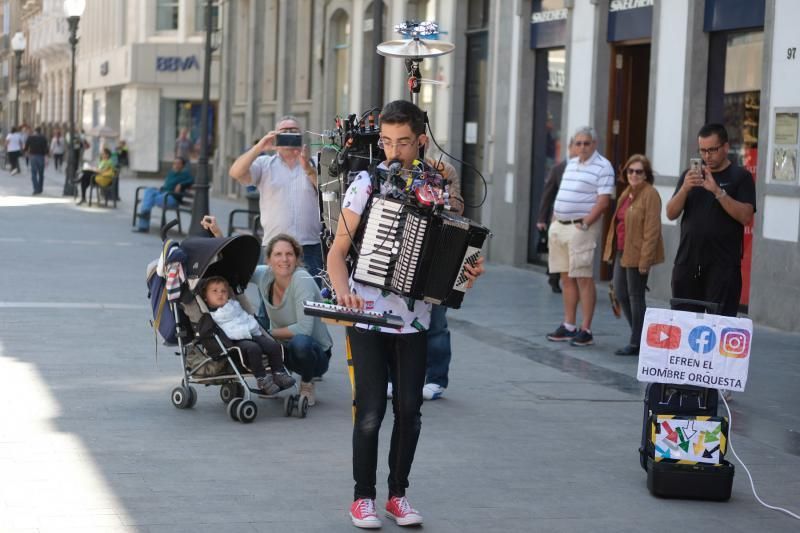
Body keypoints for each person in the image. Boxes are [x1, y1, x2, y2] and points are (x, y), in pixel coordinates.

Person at [326, 100, 485, 529]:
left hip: (414, 320)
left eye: (402, 143)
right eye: (386, 142)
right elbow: (336, 254)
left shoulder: (441, 190)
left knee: (411, 409)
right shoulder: (365, 184)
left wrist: (469, 270)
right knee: (372, 409)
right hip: (368, 316)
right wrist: (344, 294)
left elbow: (455, 261)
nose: (393, 151)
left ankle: (398, 494)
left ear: (421, 140)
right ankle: (363, 498)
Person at [201, 216, 333, 407]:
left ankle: (307, 382)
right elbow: (234, 268)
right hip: (281, 349)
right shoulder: (265, 275)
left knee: (300, 342)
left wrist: (267, 335)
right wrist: (218, 234)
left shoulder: (302, 280)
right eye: (278, 254)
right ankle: (274, 376)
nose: (284, 259)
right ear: (269, 259)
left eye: (289, 254)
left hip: (314, 353)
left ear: (297, 258)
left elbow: (304, 329)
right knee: (252, 325)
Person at [666, 123, 756, 317]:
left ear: (725, 147)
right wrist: (685, 189)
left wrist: (717, 191)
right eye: (703, 150)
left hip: (722, 266)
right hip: (688, 262)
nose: (707, 156)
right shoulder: (689, 176)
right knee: (685, 322)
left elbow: (746, 216)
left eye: (712, 150)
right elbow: (671, 213)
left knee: (719, 324)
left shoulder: (740, 177)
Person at [228, 116, 324, 281]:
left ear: (301, 136)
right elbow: (235, 172)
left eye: (293, 131)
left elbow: (327, 193)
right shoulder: (264, 164)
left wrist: (307, 168)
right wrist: (259, 147)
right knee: (272, 301)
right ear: (275, 135)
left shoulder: (316, 163)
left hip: (309, 247)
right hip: (274, 247)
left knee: (309, 301)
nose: (289, 134)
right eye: (284, 131)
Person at [545, 126, 615, 347]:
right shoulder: (572, 164)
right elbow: (563, 192)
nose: (582, 147)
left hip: (581, 228)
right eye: (578, 143)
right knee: (566, 278)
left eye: (587, 143)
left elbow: (603, 201)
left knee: (583, 278)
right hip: (561, 227)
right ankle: (569, 325)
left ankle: (586, 328)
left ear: (595, 144)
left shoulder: (603, 166)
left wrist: (584, 224)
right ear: (573, 145)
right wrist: (555, 221)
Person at [602, 155, 664, 356]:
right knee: (620, 293)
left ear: (646, 174)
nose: (634, 175)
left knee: (636, 297)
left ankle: (637, 342)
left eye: (639, 171)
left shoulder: (650, 194)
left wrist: (645, 260)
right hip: (622, 250)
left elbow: (652, 230)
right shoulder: (627, 193)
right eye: (631, 171)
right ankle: (641, 334)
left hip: (638, 253)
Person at [201, 276, 295, 395]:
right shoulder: (211, 315)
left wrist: (252, 326)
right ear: (205, 297)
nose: (220, 294)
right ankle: (262, 379)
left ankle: (279, 373)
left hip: (250, 332)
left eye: (223, 291)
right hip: (235, 339)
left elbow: (244, 316)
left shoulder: (234, 305)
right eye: (214, 291)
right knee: (253, 348)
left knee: (273, 345)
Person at [536, 137, 577, 294]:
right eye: (576, 145)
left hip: (576, 220)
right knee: (556, 251)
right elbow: (547, 195)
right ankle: (553, 279)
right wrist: (541, 218)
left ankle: (564, 280)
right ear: (570, 147)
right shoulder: (558, 169)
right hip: (557, 217)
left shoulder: (585, 169)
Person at [133, 157, 194, 232]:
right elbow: (166, 186)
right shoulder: (171, 173)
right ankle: (145, 213)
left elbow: (191, 180)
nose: (176, 165)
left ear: (183, 165)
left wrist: (181, 184)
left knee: (149, 200)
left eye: (178, 163)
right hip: (163, 194)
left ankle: (143, 225)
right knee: (149, 190)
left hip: (172, 197)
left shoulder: (185, 174)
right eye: (174, 163)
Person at [24, 127, 49, 195]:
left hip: (33, 157)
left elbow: (26, 148)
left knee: (33, 174)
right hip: (41, 157)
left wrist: (27, 154)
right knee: (41, 174)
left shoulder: (30, 138)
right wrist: (46, 158)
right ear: (40, 131)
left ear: (35, 131)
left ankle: (36, 189)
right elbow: (46, 149)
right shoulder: (43, 138)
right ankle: (40, 189)